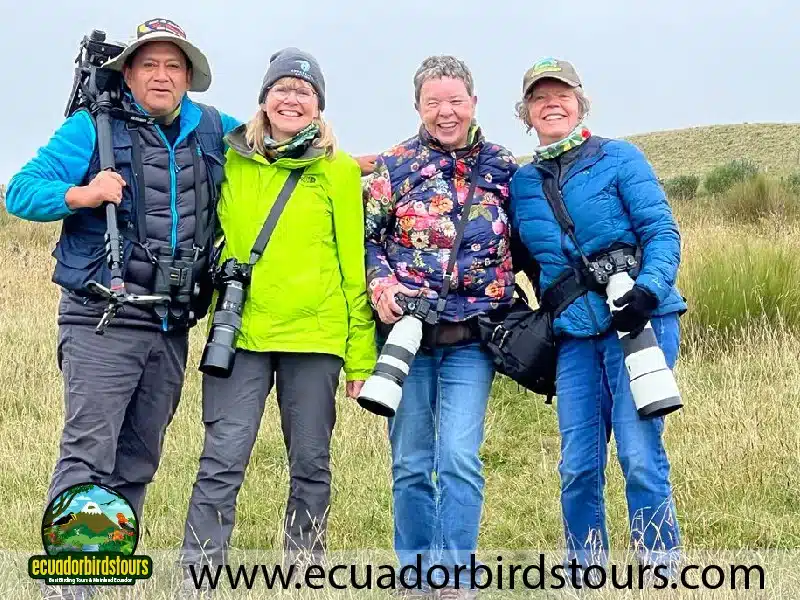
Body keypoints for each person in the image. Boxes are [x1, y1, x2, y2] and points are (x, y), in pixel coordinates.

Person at [5, 17, 239, 600]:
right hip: (102, 318)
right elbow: (21, 190)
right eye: (149, 64)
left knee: (138, 457)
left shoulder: (214, 129)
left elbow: (280, 142)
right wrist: (83, 194)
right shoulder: (93, 128)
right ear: (128, 73)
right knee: (90, 452)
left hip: (171, 322)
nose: (162, 75)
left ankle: (99, 571)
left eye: (173, 65)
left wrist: (376, 164)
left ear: (189, 76)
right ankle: (70, 585)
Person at [178, 47, 376, 588]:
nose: (292, 99)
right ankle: (199, 573)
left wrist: (361, 357)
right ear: (264, 99)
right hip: (240, 332)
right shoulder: (230, 157)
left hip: (315, 337)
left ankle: (304, 568)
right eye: (281, 89)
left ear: (319, 105)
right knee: (221, 459)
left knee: (310, 462)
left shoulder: (337, 170)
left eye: (304, 91)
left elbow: (353, 267)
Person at [508, 57, 687, 579]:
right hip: (574, 336)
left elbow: (661, 231)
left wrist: (649, 291)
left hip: (639, 323)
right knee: (578, 465)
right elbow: (516, 257)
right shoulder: (521, 184)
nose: (552, 104)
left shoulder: (619, 158)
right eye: (540, 98)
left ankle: (659, 568)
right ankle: (585, 570)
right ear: (526, 113)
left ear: (580, 102)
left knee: (638, 454)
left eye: (561, 94)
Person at [364, 55, 517, 598]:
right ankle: (413, 575)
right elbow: (367, 240)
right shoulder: (393, 166)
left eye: (455, 100)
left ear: (473, 103)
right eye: (433, 102)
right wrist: (383, 286)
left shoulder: (503, 168)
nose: (445, 112)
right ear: (417, 106)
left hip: (472, 341)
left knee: (457, 458)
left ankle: (453, 579)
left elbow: (526, 242)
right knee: (410, 463)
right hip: (406, 340)